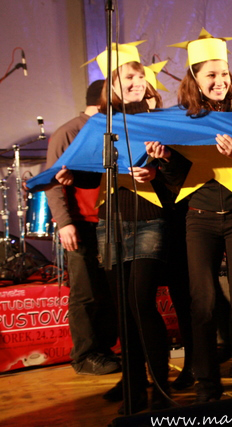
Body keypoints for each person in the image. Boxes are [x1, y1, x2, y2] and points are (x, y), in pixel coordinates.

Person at [150, 29, 232, 402]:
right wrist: (166, 159)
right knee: (203, 303)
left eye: (224, 73)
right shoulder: (182, 120)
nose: (219, 81)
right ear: (195, 79)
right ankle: (207, 385)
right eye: (211, 75)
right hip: (199, 218)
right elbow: (175, 181)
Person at [72, 42, 174, 414]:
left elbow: (178, 172)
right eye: (127, 77)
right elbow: (88, 175)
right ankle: (134, 390)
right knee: (123, 311)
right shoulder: (101, 123)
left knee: (141, 302)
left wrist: (157, 170)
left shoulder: (159, 118)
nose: (136, 82)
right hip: (111, 222)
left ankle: (160, 387)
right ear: (111, 85)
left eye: (139, 75)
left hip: (149, 218)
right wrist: (71, 174)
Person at [44, 79, 120, 376]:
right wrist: (64, 223)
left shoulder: (111, 128)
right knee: (86, 291)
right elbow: (52, 181)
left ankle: (104, 349)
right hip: (81, 222)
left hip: (110, 222)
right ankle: (85, 355)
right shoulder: (70, 131)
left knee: (107, 291)